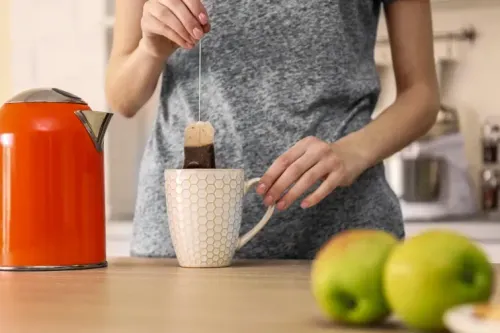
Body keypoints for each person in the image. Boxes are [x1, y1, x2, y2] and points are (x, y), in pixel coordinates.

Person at [105, 0, 439, 259]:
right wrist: (151, 49)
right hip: (185, 235)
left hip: (343, 234)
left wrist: (353, 151)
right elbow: (123, 98)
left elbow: (421, 94)